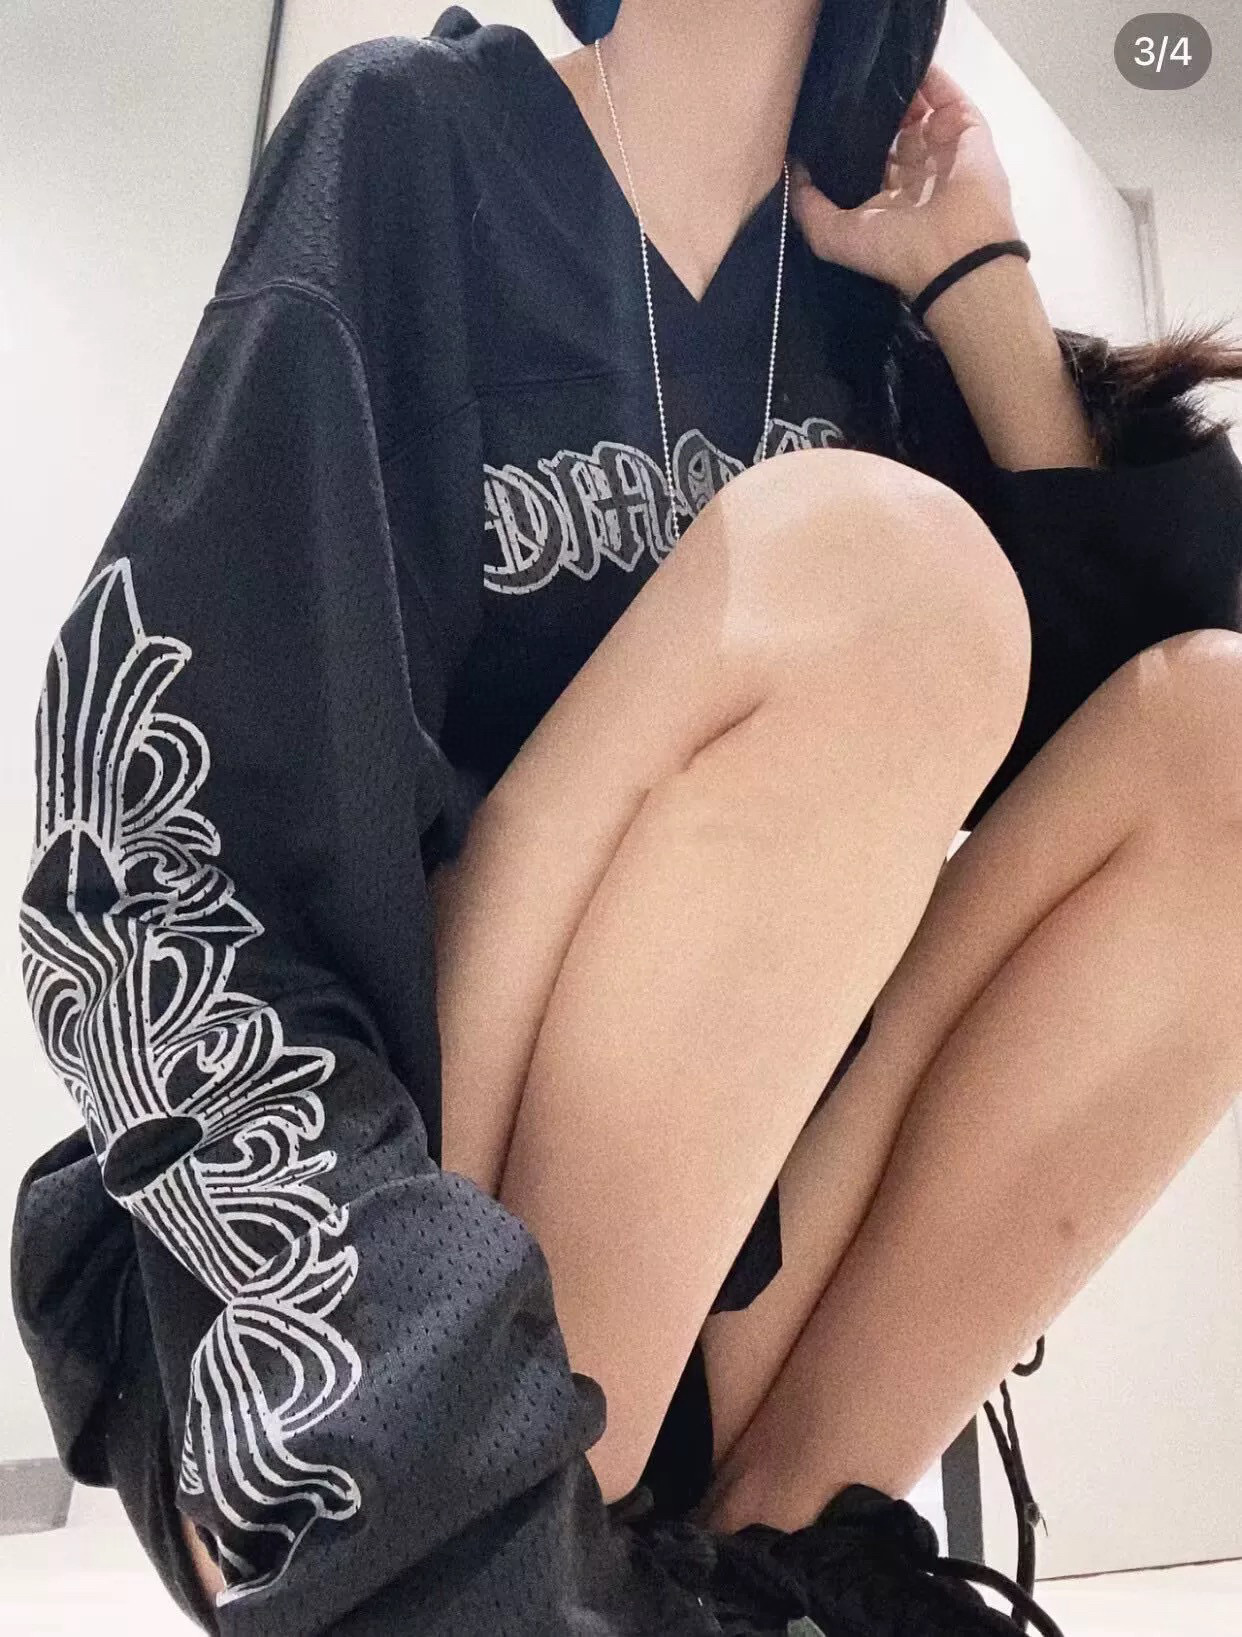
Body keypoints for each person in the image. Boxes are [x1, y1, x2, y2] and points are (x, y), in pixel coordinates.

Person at [12, 2, 1242, 1633]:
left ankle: (777, 1563)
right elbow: (167, 846)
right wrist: (391, 1392)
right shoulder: (413, 144)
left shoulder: (857, 299)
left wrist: (968, 274)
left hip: (729, 1279)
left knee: (1215, 733)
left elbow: (1119, 757)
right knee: (877, 571)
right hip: (377, 1294)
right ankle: (522, 1551)